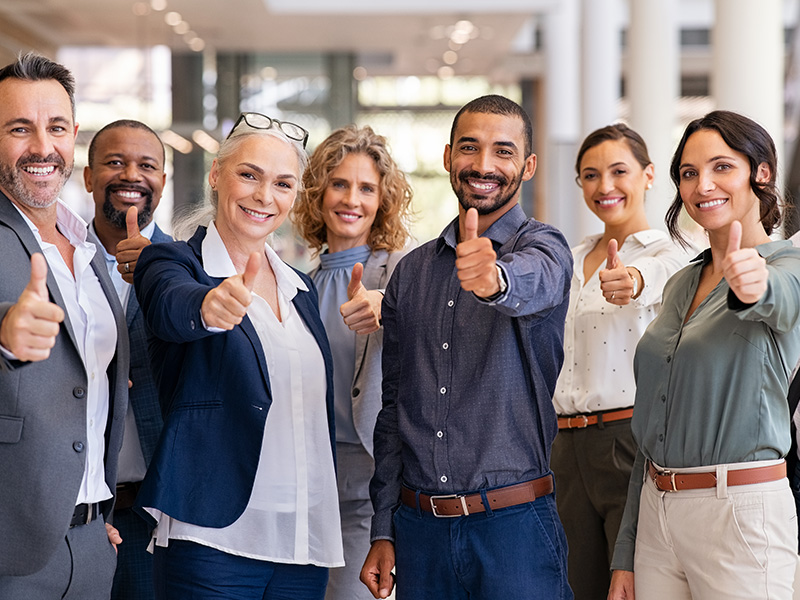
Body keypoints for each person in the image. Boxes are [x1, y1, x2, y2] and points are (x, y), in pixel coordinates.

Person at [361, 94, 574, 600]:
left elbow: (533, 282)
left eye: (503, 151)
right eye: (469, 148)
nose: (483, 165)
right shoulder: (410, 274)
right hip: (420, 533)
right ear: (447, 157)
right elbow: (394, 411)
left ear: (528, 165)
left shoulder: (545, 248)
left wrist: (493, 278)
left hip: (514, 530)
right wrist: (384, 527)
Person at [133, 112, 343, 599]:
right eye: (249, 175)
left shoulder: (300, 287)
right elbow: (170, 305)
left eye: (283, 183)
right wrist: (208, 305)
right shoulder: (175, 263)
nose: (264, 196)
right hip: (213, 539)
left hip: (301, 542)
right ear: (216, 175)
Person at [609, 110, 800, 600]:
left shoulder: (789, 264)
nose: (702, 185)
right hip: (657, 512)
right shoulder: (679, 285)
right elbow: (650, 428)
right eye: (689, 173)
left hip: (738, 513)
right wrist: (626, 550)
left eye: (721, 167)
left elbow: (776, 294)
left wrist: (751, 284)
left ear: (761, 173)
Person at [0, 53, 129, 599]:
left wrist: (95, 508)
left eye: (55, 127)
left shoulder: (88, 248)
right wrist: (5, 340)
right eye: (18, 129)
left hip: (92, 541)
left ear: (74, 135)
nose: (41, 147)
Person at [551, 124, 690, 600]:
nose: (604, 186)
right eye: (590, 175)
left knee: (632, 584)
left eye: (618, 171)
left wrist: (630, 278)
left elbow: (655, 277)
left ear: (649, 175)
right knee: (574, 585)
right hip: (563, 447)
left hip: (626, 441)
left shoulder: (674, 254)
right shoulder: (568, 258)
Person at [293, 124, 413, 600]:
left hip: (369, 476)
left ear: (383, 199)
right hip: (303, 472)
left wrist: (389, 304)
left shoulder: (401, 271)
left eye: (367, 188)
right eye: (340, 184)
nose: (351, 199)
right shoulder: (296, 283)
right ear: (319, 193)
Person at [84, 119, 171, 600]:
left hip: (159, 510)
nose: (130, 175)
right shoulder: (63, 259)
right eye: (114, 162)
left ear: (163, 179)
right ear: (88, 176)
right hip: (76, 508)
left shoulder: (190, 265)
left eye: (146, 165)